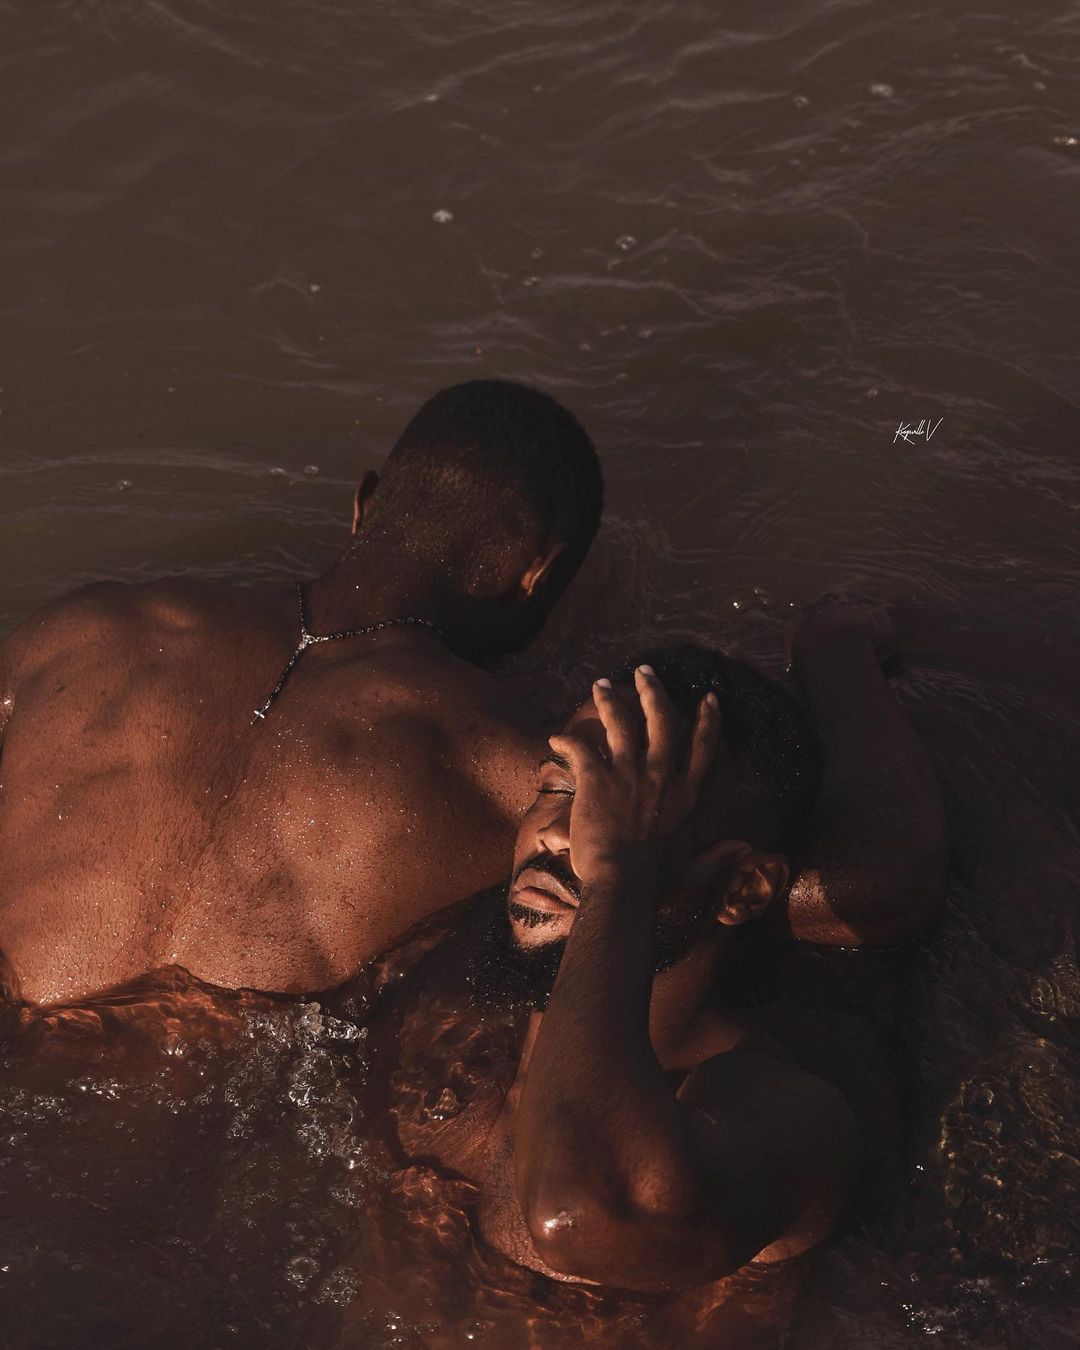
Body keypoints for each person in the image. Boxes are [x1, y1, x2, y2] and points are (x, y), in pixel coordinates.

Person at [0, 374, 945, 1008]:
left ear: (363, 503)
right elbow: (882, 885)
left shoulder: (72, 633)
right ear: (540, 573)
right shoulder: (522, 771)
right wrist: (836, 652)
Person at [372, 648, 865, 1295]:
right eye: (558, 789)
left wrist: (618, 874)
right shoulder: (450, 992)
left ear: (743, 887)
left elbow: (581, 1214)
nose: (560, 833)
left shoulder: (782, 1116)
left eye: (632, 816)